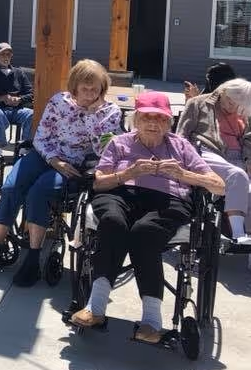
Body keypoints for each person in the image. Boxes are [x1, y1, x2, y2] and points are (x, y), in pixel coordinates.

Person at [70, 92, 225, 343]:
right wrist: (129, 172)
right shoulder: (119, 143)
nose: (153, 124)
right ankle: (95, 308)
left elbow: (218, 186)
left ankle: (151, 322)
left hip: (168, 200)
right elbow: (99, 183)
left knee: (145, 232)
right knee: (112, 222)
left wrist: (183, 174)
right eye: (147, 118)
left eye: (160, 119)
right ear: (135, 120)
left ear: (169, 123)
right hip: (120, 194)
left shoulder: (182, 146)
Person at [0, 59, 122, 286]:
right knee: (12, 186)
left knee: (39, 192)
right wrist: (53, 160)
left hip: (76, 165)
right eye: (85, 88)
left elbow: (104, 149)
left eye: (95, 89)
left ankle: (33, 258)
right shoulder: (58, 102)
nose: (90, 94)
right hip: (46, 155)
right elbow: (41, 136)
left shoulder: (110, 112)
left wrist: (93, 116)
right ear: (75, 86)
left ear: (103, 89)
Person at [177, 78, 251, 281]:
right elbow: (181, 136)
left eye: (239, 105)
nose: (234, 107)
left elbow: (250, 140)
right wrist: (190, 161)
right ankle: (237, 234)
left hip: (237, 158)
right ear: (224, 91)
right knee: (237, 176)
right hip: (206, 153)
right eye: (231, 102)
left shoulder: (244, 111)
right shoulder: (198, 104)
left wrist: (250, 159)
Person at [0, 42, 34, 159]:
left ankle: (24, 151)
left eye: (8, 54)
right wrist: (1, 98)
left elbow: (31, 93)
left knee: (31, 114)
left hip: (16, 110)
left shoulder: (19, 73)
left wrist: (19, 99)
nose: (6, 57)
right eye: (2, 54)